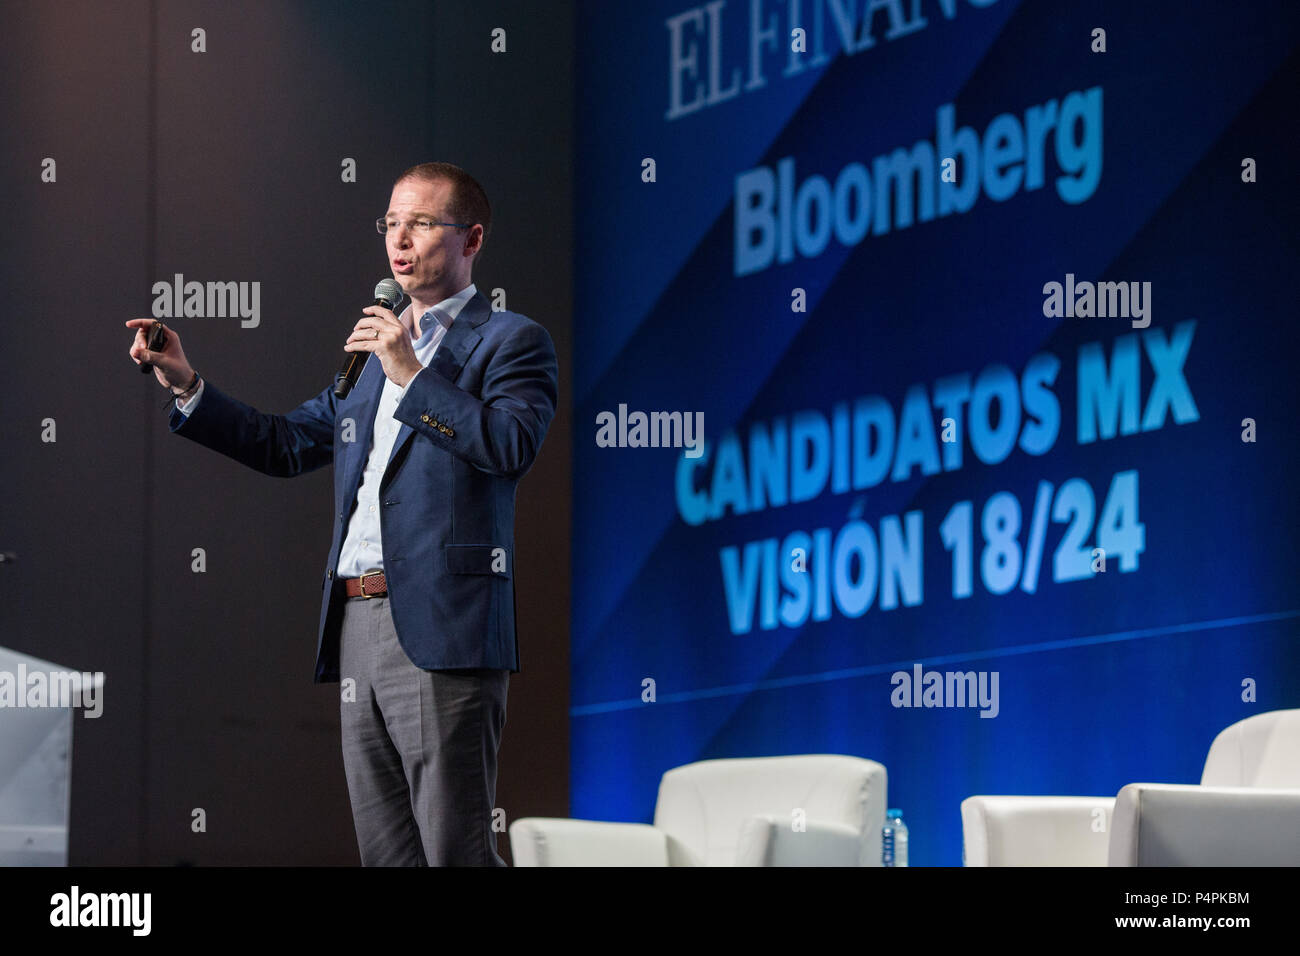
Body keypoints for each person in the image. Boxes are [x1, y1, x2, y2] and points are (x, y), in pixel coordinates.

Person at [125, 162, 558, 866]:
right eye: (390, 222)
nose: (400, 237)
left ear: (471, 237)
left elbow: (508, 445)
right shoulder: (369, 356)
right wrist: (187, 384)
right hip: (358, 621)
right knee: (386, 856)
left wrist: (412, 375)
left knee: (455, 851)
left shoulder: (509, 341)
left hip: (444, 630)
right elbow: (286, 443)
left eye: (422, 222)